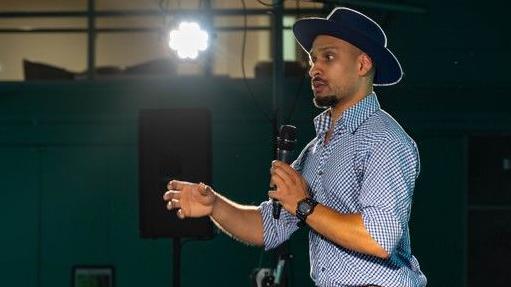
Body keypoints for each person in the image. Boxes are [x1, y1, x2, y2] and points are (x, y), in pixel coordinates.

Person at [163, 7, 427, 287]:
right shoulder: (315, 150)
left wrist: (304, 205)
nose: (314, 69)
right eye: (313, 59)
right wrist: (214, 205)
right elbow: (269, 227)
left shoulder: (384, 139)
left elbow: (379, 238)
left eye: (328, 56)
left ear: (363, 65)